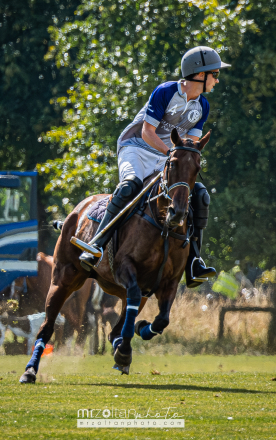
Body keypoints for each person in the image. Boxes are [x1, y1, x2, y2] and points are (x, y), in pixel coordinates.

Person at [79, 46, 231, 287]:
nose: (217, 80)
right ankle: (95, 245)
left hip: (167, 156)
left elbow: (189, 144)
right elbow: (147, 132)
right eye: (215, 74)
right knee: (130, 186)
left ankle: (194, 263)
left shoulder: (203, 106)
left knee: (200, 195)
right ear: (200, 75)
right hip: (137, 148)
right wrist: (172, 153)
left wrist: (187, 160)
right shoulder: (166, 91)